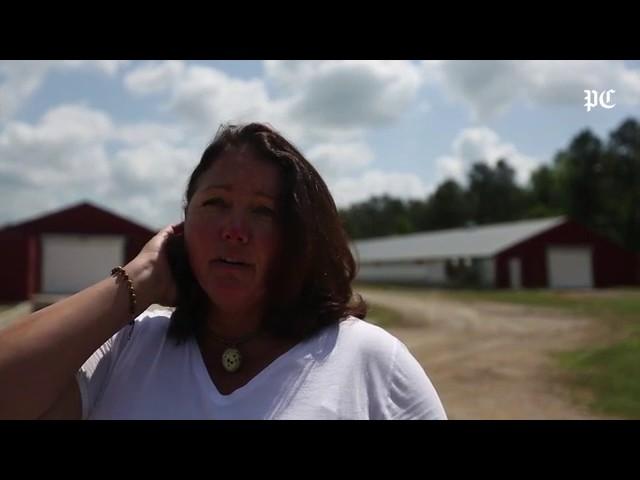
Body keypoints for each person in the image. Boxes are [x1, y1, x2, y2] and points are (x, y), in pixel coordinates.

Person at [0, 122, 447, 420]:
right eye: (215, 203)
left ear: (300, 237)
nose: (234, 231)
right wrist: (137, 282)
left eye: (263, 212)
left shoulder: (372, 362)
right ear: (181, 225)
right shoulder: (127, 347)